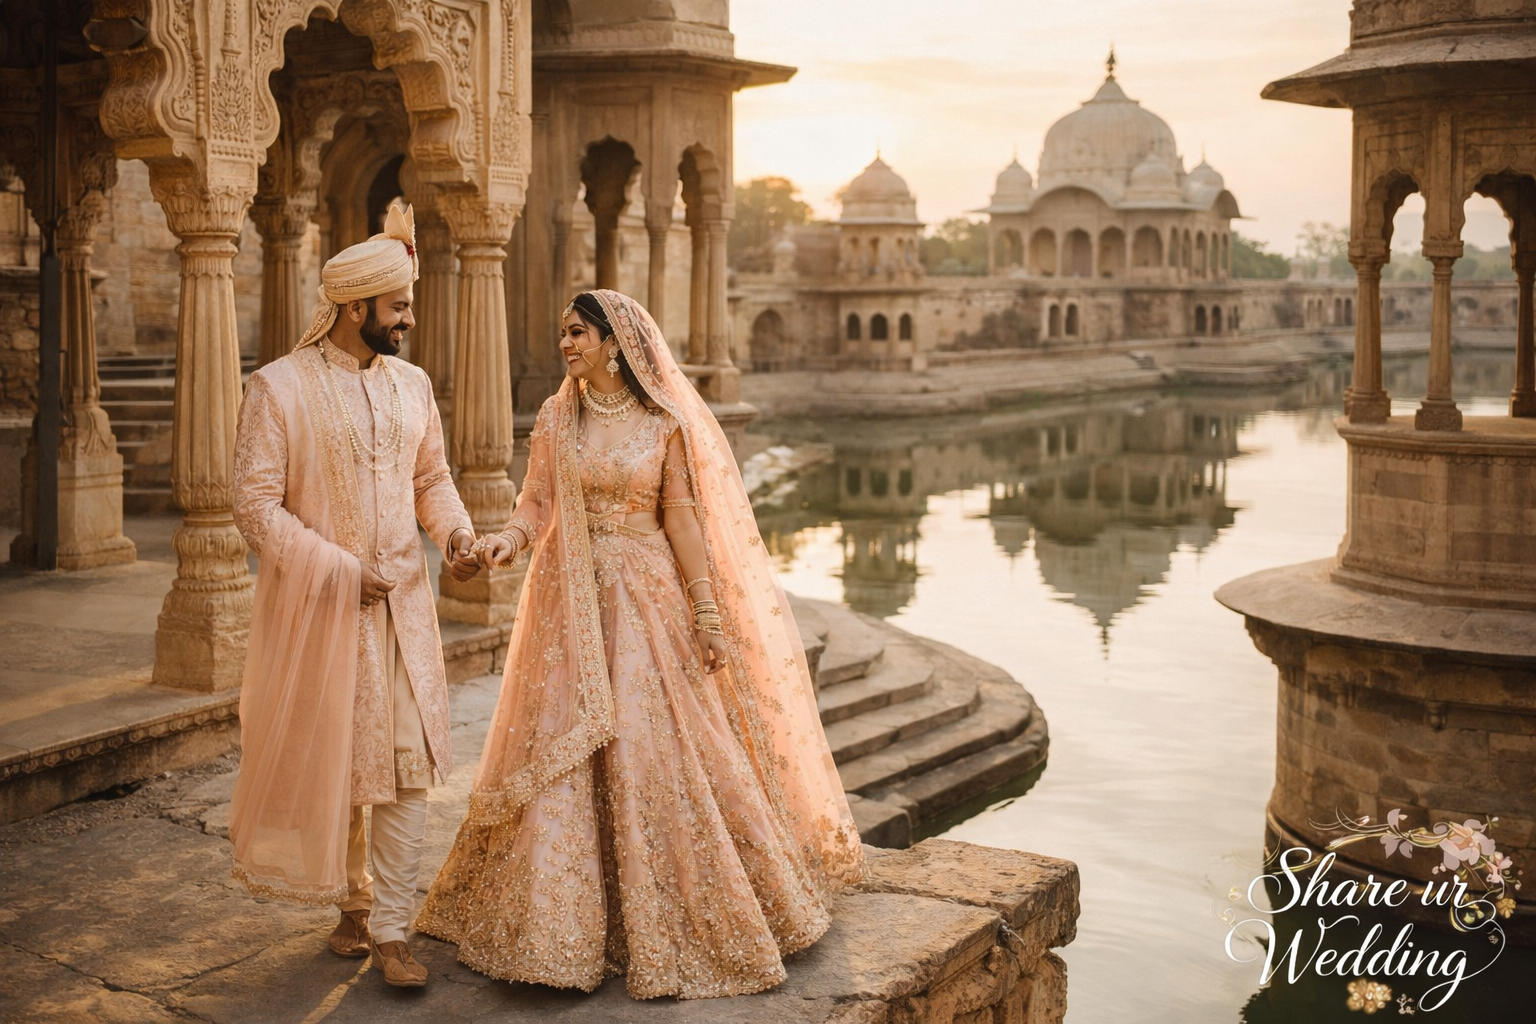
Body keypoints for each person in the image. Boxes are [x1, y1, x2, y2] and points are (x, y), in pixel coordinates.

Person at [417, 290, 865, 1000]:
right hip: (569, 603)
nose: (566, 345)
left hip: (646, 599)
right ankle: (556, 925)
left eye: (576, 333)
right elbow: (537, 502)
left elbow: (683, 524)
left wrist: (708, 615)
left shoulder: (663, 424)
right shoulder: (557, 416)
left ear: (615, 343)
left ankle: (674, 917)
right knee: (562, 741)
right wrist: (505, 541)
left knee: (654, 744)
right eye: (562, 334)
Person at [228, 202, 481, 989]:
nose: (409, 318)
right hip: (322, 612)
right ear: (355, 307)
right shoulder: (279, 389)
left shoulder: (412, 385)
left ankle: (395, 931)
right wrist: (336, 568)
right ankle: (351, 902)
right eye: (398, 306)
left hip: (403, 611)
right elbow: (253, 505)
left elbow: (430, 477)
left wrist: (457, 538)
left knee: (405, 768)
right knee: (336, 762)